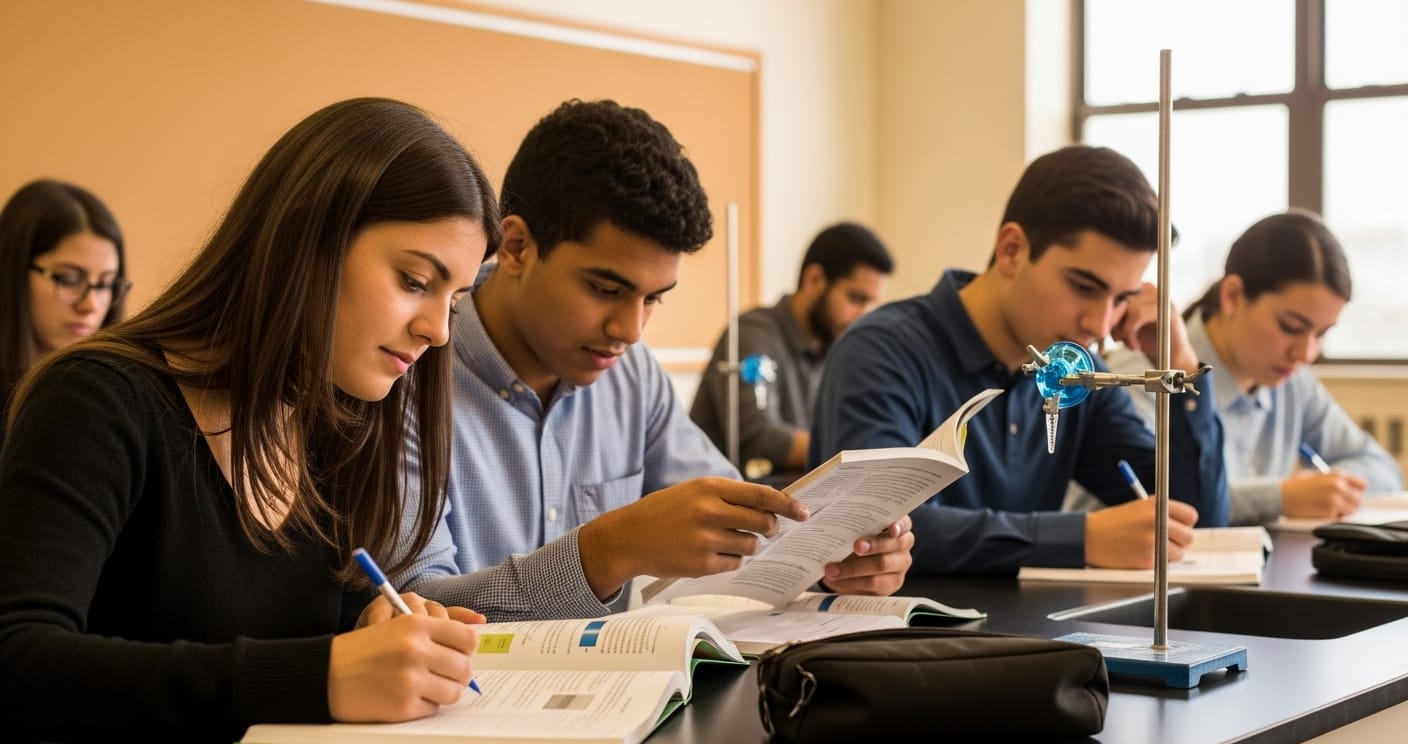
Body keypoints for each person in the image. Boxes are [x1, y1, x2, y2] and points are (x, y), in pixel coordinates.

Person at [0, 97, 498, 744]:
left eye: (455, 300)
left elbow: (297, 634)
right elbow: (18, 661)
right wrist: (321, 674)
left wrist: (371, 630)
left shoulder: (341, 426)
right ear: (308, 241)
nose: (438, 331)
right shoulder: (99, 400)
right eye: (414, 281)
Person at [395, 99, 914, 621]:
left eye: (654, 298)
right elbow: (413, 609)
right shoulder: (405, 371)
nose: (630, 330)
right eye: (604, 288)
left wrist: (837, 553)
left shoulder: (632, 374)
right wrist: (606, 552)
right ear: (515, 247)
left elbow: (740, 523)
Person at [809, 144, 1229, 577]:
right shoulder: (882, 350)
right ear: (1011, 250)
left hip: (1036, 637)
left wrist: (1182, 371)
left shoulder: (1074, 375)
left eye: (1121, 299)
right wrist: (1081, 538)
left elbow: (1199, 520)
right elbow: (875, 529)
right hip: (906, 639)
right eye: (1084, 287)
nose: (1101, 325)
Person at [1096, 210, 1401, 525]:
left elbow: (1381, 468)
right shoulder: (1146, 372)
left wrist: (1331, 489)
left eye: (1321, 334)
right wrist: (1280, 498)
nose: (1306, 353)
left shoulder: (1293, 381)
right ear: (1233, 296)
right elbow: (1137, 504)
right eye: (1291, 326)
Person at [690, 221, 893, 475]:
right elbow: (758, 437)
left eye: (871, 305)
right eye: (856, 299)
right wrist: (853, 450)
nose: (864, 316)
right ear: (814, 280)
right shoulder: (752, 333)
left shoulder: (836, 348)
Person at [0, 179, 130, 423]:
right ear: (12, 272)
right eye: (67, 279)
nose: (90, 305)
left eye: (105, 284)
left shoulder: (117, 399)